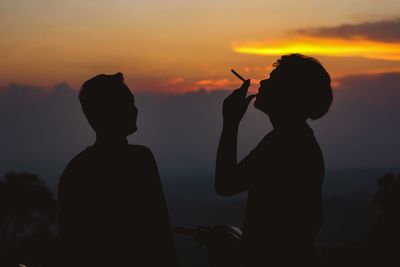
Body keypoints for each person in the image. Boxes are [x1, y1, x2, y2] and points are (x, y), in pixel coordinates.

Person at [215, 54, 333, 266]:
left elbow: (225, 184)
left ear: (291, 94)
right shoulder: (293, 138)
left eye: (274, 79)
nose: (263, 82)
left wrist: (230, 123)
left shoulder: (285, 143)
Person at [58, 73, 178, 266]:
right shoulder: (140, 160)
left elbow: (70, 246)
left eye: (133, 103)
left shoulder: (75, 170)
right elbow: (159, 232)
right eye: (128, 104)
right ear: (109, 112)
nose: (135, 110)